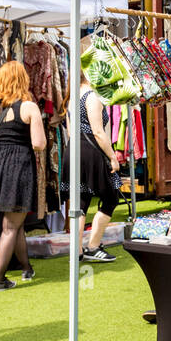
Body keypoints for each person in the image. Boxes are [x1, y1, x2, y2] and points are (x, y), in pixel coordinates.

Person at [0, 61, 46, 290]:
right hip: (19, 166)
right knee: (10, 226)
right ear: (23, 80)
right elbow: (39, 144)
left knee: (16, 222)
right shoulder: (29, 107)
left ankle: (27, 268)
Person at [75, 71, 123, 264]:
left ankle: (78, 251)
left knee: (81, 201)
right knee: (111, 197)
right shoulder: (92, 96)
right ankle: (93, 246)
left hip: (76, 149)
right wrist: (113, 157)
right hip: (91, 150)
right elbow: (98, 131)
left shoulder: (73, 95)